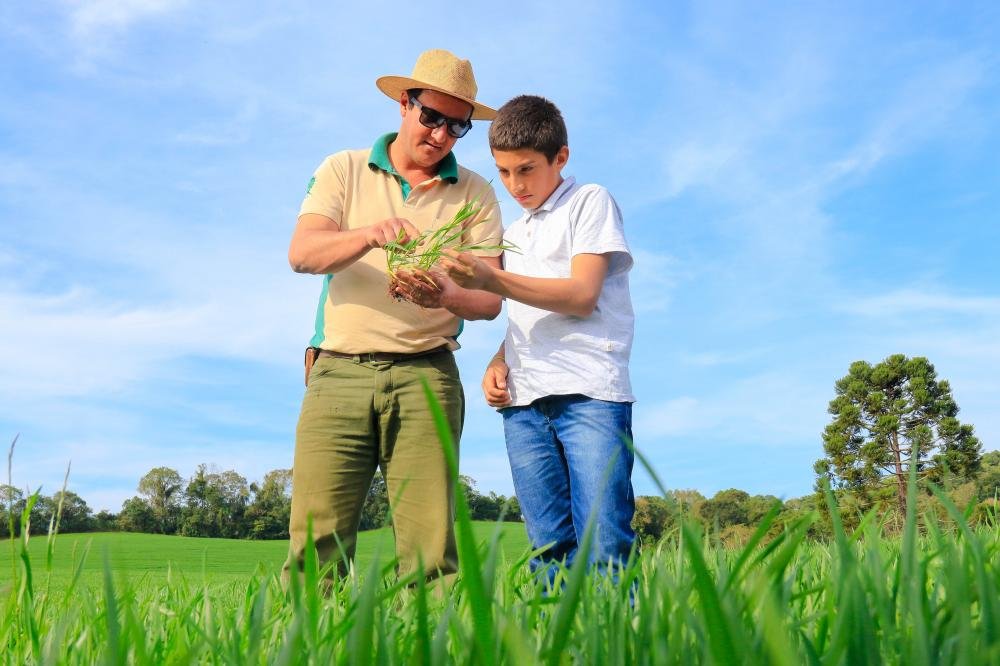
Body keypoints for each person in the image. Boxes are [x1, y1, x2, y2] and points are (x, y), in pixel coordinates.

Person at [284, 49, 503, 583]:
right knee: (318, 543)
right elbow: (302, 254)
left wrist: (444, 296)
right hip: (338, 370)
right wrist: (368, 234)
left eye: (458, 126)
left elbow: (490, 299)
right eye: (432, 117)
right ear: (405, 104)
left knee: (432, 552)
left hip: (427, 373)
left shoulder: (476, 192)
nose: (442, 135)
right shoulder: (344, 168)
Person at [435, 95, 636, 579]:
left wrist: (493, 281)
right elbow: (525, 310)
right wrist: (498, 358)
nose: (514, 185)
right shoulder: (516, 231)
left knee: (603, 539)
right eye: (503, 172)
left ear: (560, 157)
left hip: (588, 394)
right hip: (524, 405)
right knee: (547, 548)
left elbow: (582, 295)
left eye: (526, 169)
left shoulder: (590, 202)